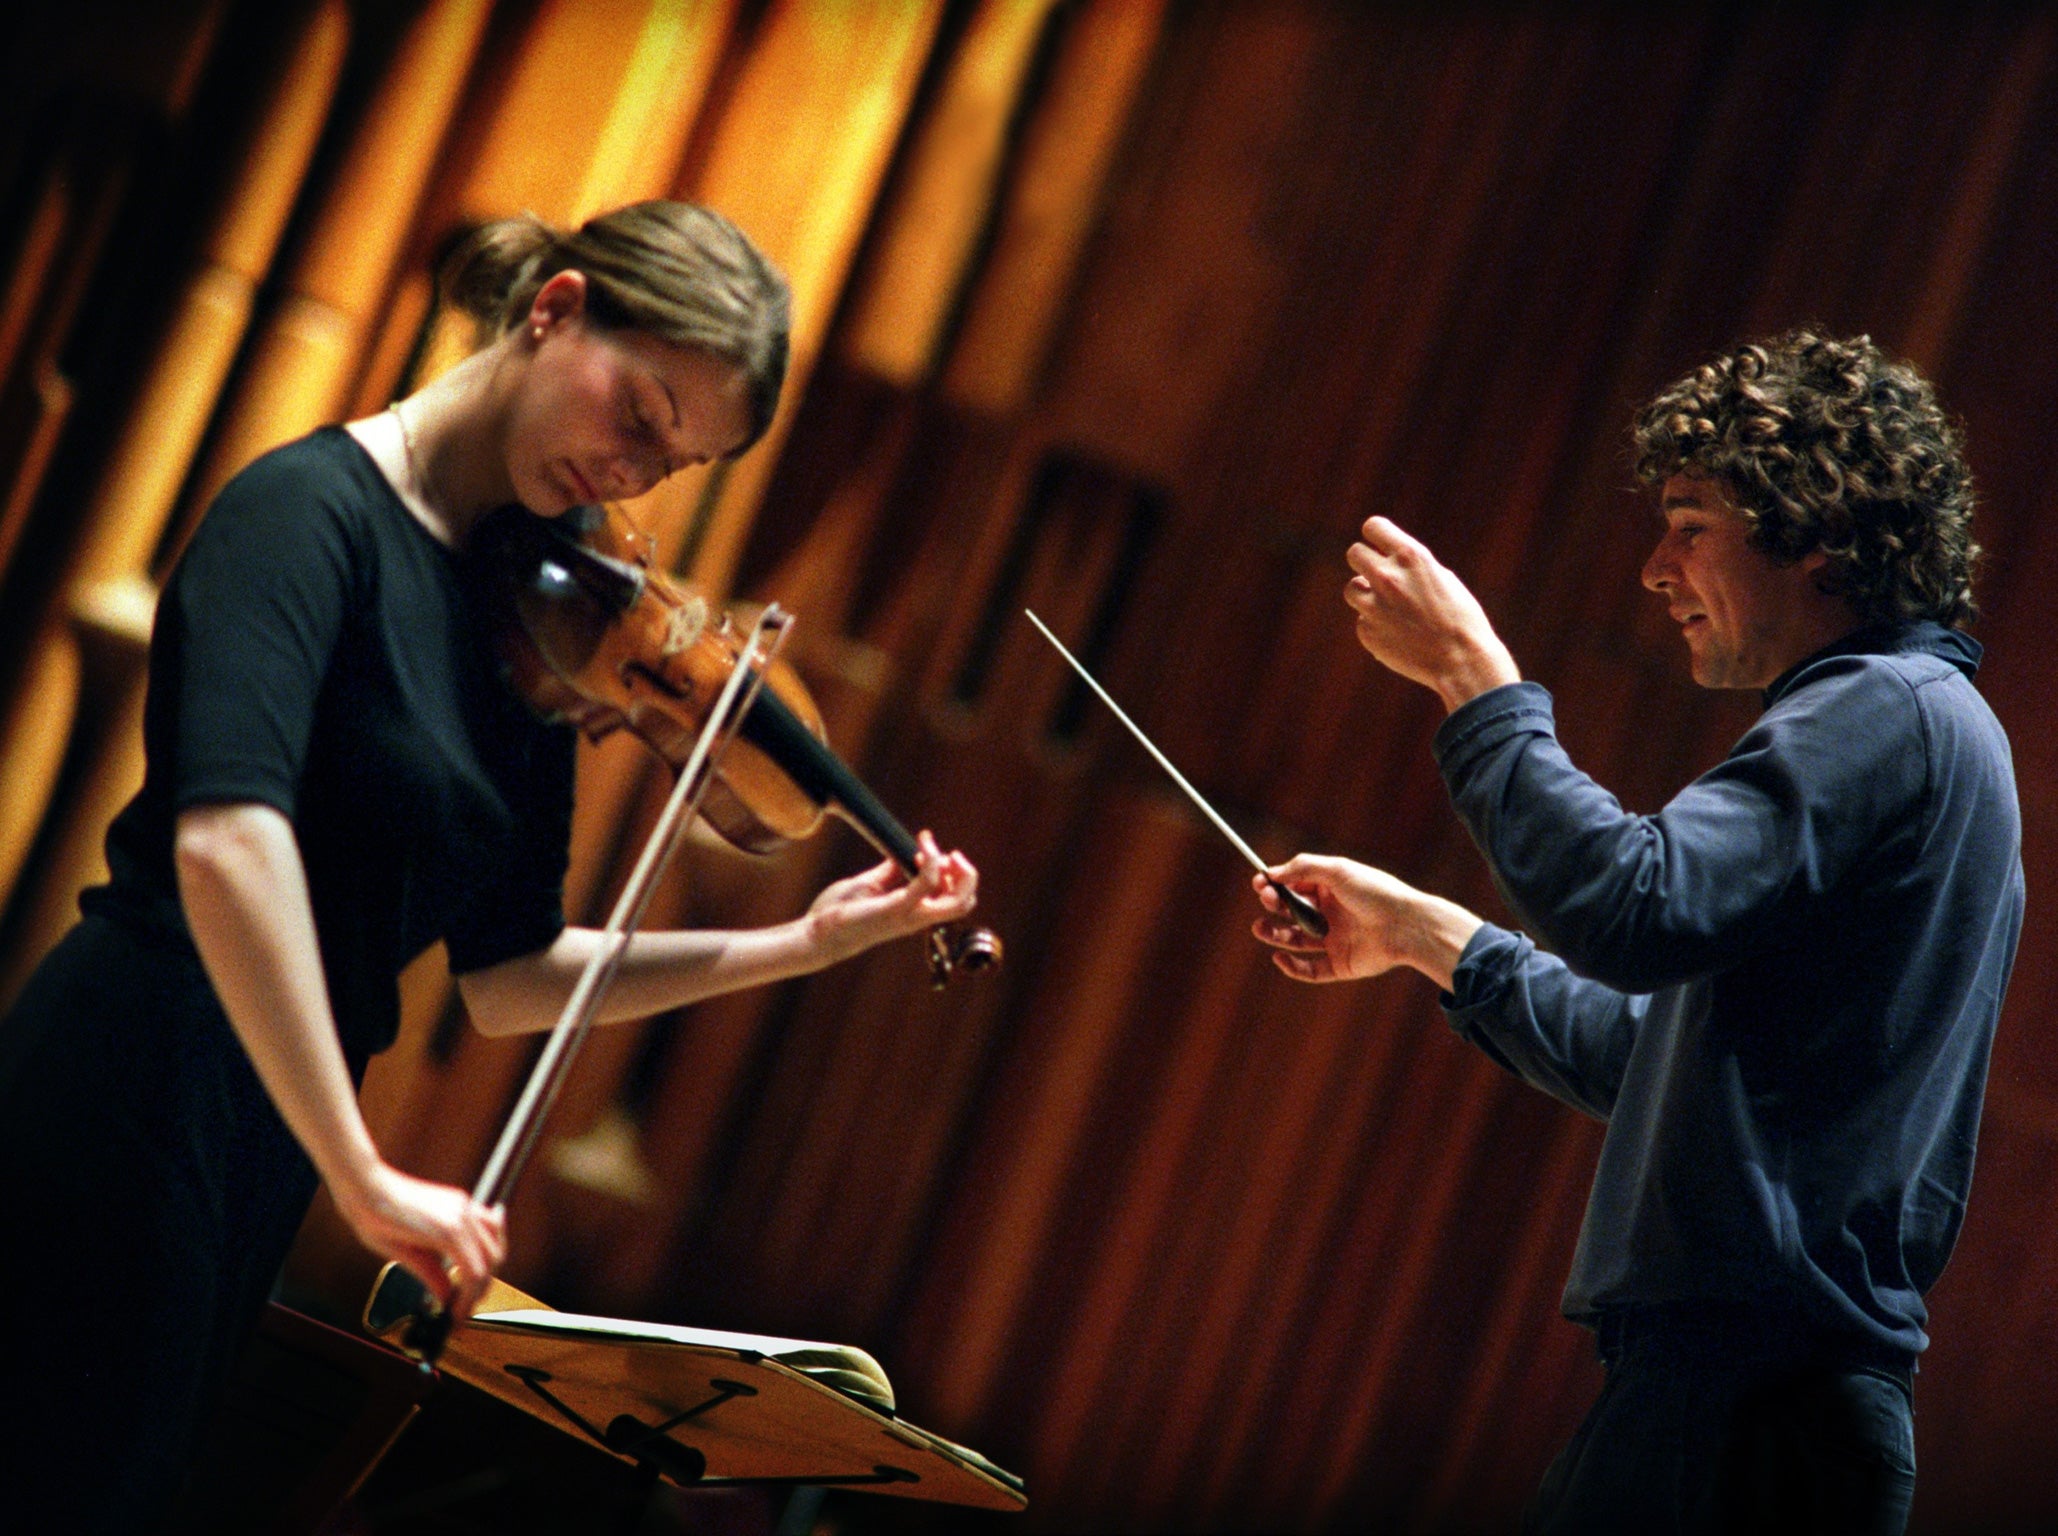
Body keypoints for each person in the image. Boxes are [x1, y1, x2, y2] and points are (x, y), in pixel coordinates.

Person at [0, 200, 979, 1531]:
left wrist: (803, 945)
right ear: (555, 308)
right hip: (132, 1074)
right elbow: (229, 843)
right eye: (641, 413)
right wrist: (362, 1172)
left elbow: (514, 974)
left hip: (268, 1133)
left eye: (678, 460)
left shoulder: (537, 612)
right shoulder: (303, 513)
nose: (635, 473)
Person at [1251, 331, 2022, 1535]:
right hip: (1742, 1410)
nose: (1656, 571)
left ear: (1816, 530)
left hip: (1752, 1423)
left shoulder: (1885, 712)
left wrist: (1472, 679)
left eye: (1691, 525)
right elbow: (1654, 1057)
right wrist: (1422, 934)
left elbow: (1634, 906)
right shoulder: (1909, 723)